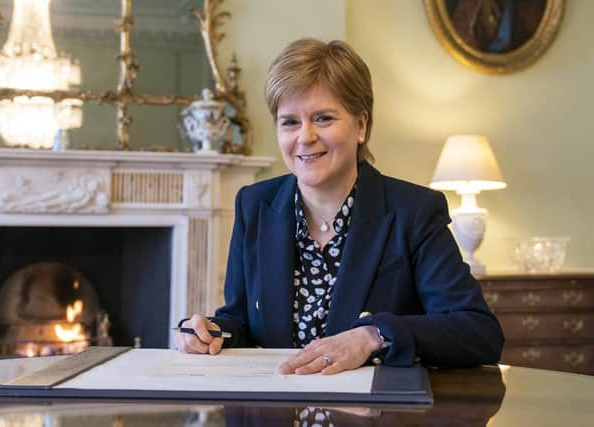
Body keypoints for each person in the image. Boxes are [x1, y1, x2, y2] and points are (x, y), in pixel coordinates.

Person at [175, 38, 504, 375]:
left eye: (323, 118)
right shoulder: (255, 204)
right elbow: (241, 318)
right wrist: (213, 333)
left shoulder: (414, 211)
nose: (305, 137)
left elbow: (479, 333)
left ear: (361, 125)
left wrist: (373, 336)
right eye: (289, 122)